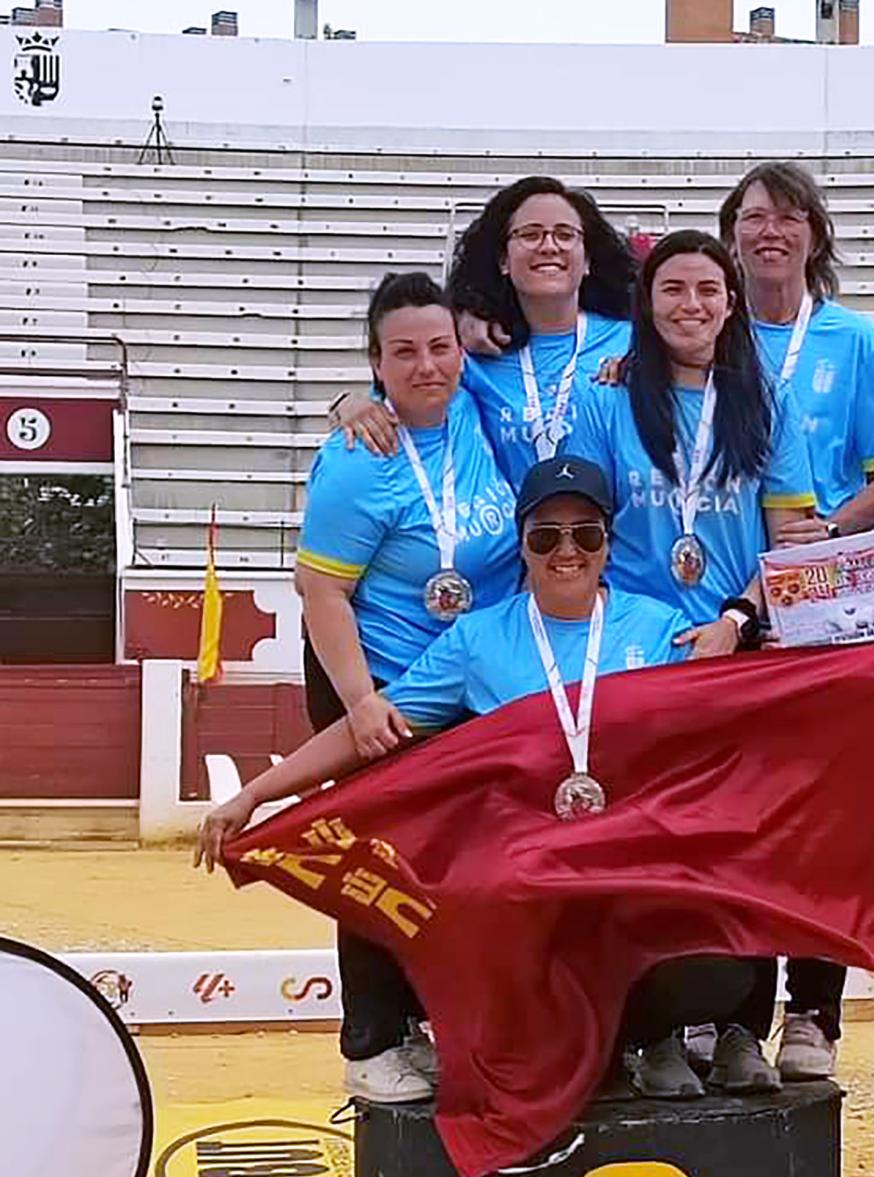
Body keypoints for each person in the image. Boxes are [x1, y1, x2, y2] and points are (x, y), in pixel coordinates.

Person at [198, 455, 756, 1102]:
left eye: (586, 534)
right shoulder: (479, 639)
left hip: (628, 876)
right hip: (529, 887)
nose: (566, 551)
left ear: (609, 544)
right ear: (521, 546)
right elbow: (369, 733)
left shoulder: (659, 628)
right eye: (545, 535)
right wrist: (254, 795)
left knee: (720, 974)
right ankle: (582, 1046)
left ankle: (643, 1036)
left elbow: (731, 729)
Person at [567, 229, 817, 1092]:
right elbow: (583, 529)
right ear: (647, 303)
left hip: (737, 655)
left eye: (709, 290)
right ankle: (657, 1034)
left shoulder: (766, 402)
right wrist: (627, 630)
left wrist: (740, 616)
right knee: (644, 854)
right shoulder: (606, 401)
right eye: (673, 289)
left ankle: (746, 1027)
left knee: (749, 850)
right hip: (637, 661)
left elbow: (792, 538)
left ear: (732, 302)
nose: (691, 306)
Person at [714, 160, 874, 1084]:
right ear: (732, 233)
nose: (770, 232)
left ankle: (815, 1012)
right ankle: (735, 1015)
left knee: (825, 815)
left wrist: (824, 534)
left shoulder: (854, 340)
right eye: (754, 217)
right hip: (730, 602)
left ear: (813, 236)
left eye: (788, 217)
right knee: (742, 813)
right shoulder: (703, 337)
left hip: (831, 601)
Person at [296, 270, 518, 1105]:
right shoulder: (358, 458)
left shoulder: (478, 408)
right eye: (403, 354)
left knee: (455, 868)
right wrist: (360, 704)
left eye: (439, 347)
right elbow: (320, 592)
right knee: (375, 858)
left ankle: (434, 1025)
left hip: (467, 683)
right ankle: (372, 1038)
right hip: (382, 680)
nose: (428, 366)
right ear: (377, 366)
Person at [330, 176, 635, 489]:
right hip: (502, 536)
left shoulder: (631, 341)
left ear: (586, 260)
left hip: (605, 537)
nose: (548, 246)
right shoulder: (476, 350)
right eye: (530, 235)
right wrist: (349, 403)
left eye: (565, 234)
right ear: (503, 260)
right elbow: (398, 400)